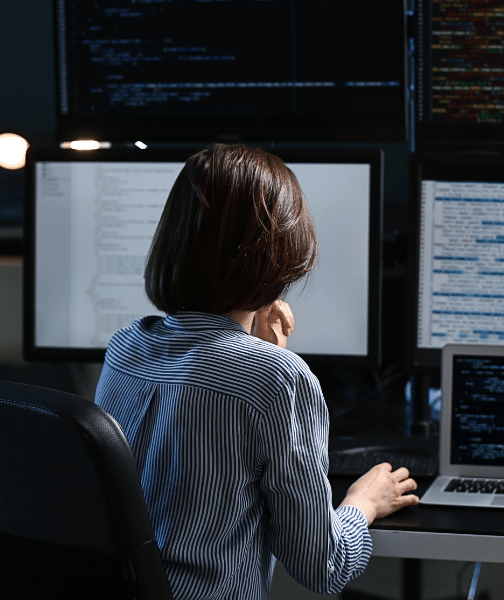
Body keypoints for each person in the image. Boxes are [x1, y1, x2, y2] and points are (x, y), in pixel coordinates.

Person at [94, 144, 419, 599]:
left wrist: (261, 353)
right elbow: (324, 567)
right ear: (279, 255)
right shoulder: (278, 379)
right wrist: (363, 502)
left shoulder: (125, 346)